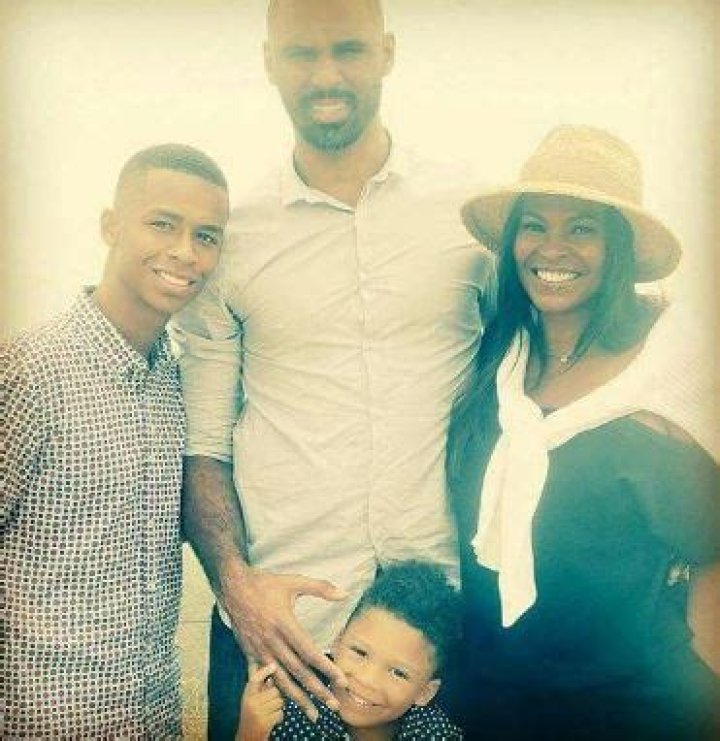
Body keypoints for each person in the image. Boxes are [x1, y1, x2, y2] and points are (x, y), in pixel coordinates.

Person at [172, 0, 491, 735]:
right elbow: (204, 445)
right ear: (268, 61)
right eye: (301, 53)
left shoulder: (469, 218)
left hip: (433, 635)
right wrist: (237, 587)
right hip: (280, 628)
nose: (325, 75)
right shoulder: (235, 233)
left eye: (347, 49)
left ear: (387, 51)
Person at [445, 124, 720, 740]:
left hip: (634, 708)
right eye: (535, 225)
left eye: (582, 229)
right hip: (494, 700)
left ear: (618, 248)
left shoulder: (665, 383)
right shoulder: (496, 363)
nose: (553, 248)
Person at [1, 143, 229, 738]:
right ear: (111, 226)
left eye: (206, 236)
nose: (185, 252)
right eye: (163, 224)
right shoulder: (29, 369)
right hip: (43, 719)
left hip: (154, 714)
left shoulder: (174, 381)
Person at [238, 561, 463, 740]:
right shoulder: (290, 717)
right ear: (336, 643)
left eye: (398, 673)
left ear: (425, 692)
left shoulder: (438, 735)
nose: (367, 680)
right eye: (360, 652)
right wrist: (250, 734)